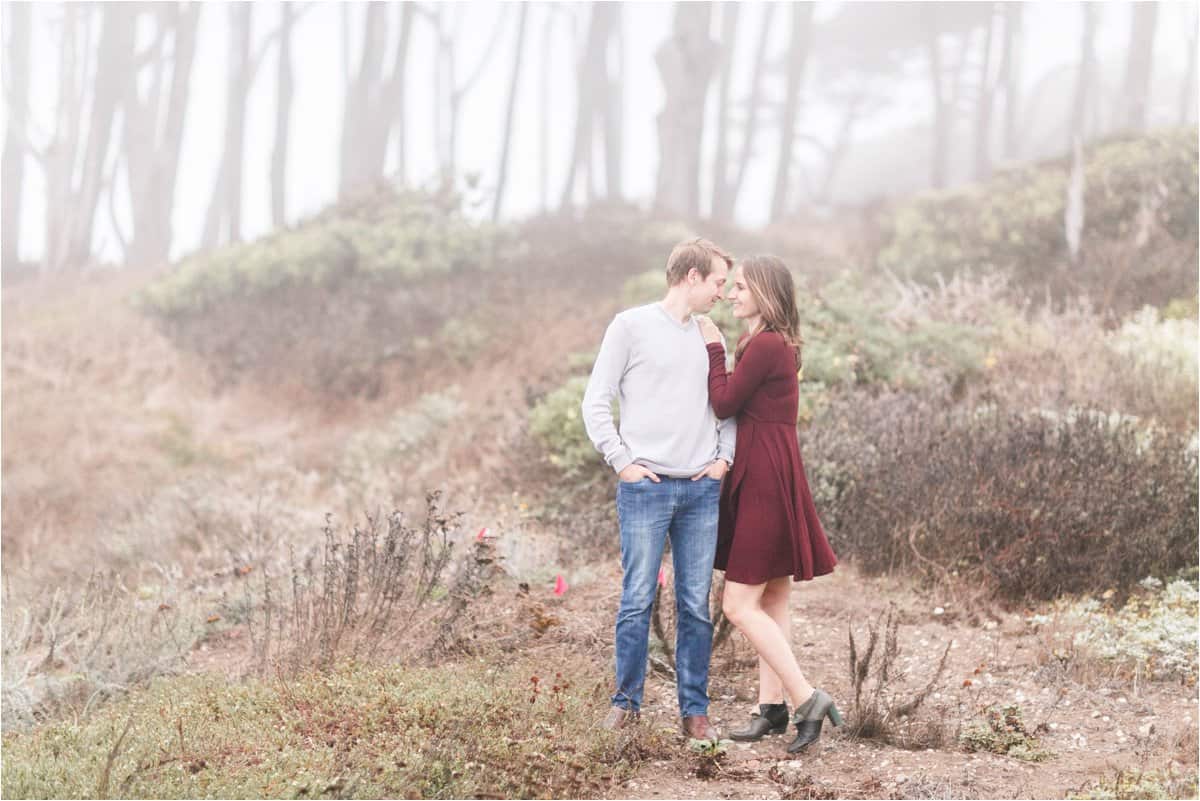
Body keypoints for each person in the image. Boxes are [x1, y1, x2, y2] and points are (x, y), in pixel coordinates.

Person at [582, 238, 737, 741]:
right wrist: (622, 462)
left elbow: (726, 405)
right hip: (644, 488)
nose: (722, 292)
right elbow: (596, 402)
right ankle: (625, 705)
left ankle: (695, 714)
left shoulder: (711, 336)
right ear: (691, 277)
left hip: (699, 492)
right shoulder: (630, 326)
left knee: (695, 604)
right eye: (717, 281)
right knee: (637, 599)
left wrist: (723, 460)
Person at [695, 255, 841, 754]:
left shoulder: (765, 346)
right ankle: (770, 708)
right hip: (773, 471)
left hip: (763, 477)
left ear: (764, 293)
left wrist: (713, 350)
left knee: (738, 604)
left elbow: (723, 403)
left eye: (739, 288)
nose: (731, 294)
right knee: (773, 599)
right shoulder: (767, 343)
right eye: (730, 287)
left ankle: (807, 699)